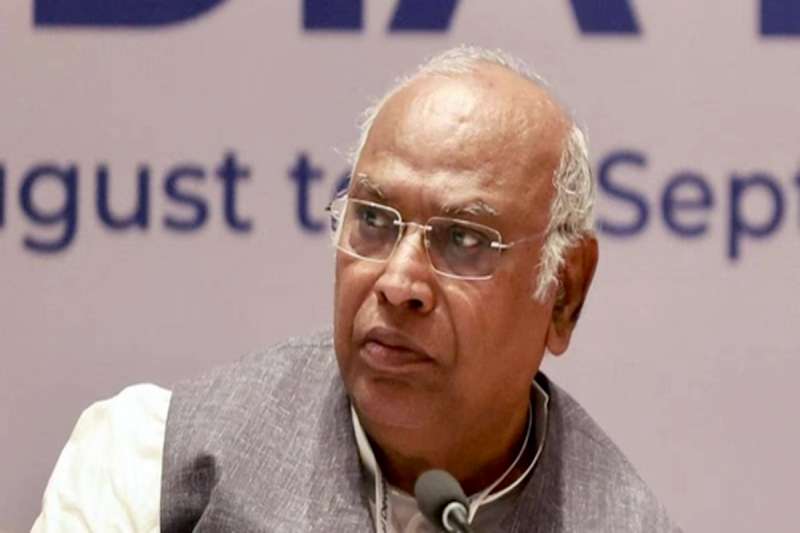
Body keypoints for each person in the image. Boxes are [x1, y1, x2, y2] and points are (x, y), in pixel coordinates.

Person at [33, 46, 680, 532]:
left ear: (563, 293)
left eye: (463, 239)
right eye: (373, 219)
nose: (398, 283)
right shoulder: (148, 466)